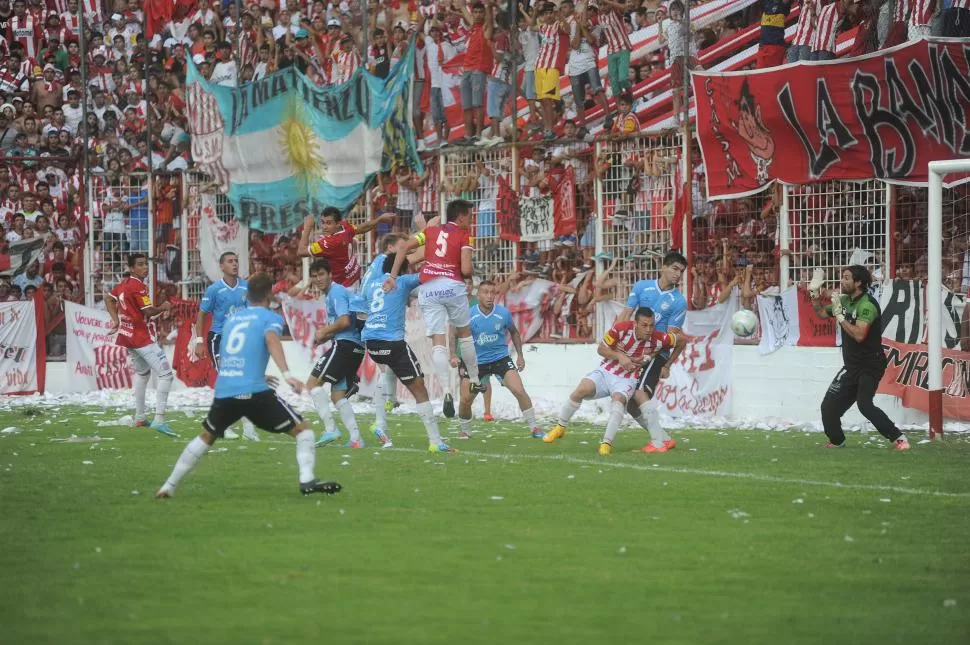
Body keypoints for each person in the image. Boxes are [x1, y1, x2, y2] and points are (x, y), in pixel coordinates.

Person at [155, 273, 342, 498]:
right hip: (255, 394)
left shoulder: (233, 320)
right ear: (269, 295)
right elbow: (272, 340)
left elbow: (230, 354)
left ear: (247, 295)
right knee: (304, 432)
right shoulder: (269, 318)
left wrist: (253, 375)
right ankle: (306, 480)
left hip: (226, 389)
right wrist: (287, 374)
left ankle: (169, 486)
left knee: (206, 437)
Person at [385, 199, 484, 419]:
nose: (471, 220)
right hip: (452, 286)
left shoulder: (429, 232)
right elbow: (466, 270)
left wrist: (393, 277)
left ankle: (447, 391)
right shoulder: (464, 235)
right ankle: (476, 380)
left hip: (428, 289)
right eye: (469, 215)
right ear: (460, 217)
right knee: (464, 334)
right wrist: (461, 268)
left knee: (438, 341)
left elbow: (404, 249)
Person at [542, 308, 679, 454]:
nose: (648, 329)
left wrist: (663, 362)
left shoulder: (658, 338)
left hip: (628, 379)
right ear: (635, 324)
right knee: (581, 390)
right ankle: (560, 428)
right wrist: (619, 356)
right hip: (606, 371)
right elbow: (601, 349)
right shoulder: (620, 330)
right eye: (644, 325)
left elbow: (681, 340)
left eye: (652, 325)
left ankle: (606, 444)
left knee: (619, 401)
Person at [808, 266, 910, 451]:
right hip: (851, 365)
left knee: (864, 405)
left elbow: (859, 335)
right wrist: (815, 295)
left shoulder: (868, 305)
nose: (842, 281)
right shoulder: (845, 301)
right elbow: (821, 313)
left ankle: (899, 438)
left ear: (858, 282)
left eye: (847, 278)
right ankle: (837, 441)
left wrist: (840, 317)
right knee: (828, 408)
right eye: (842, 277)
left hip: (870, 363)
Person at [362, 254, 454, 453]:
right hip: (392, 342)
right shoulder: (401, 281)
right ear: (401, 269)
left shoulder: (371, 284)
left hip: (372, 343)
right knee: (419, 388)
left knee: (388, 371)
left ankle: (381, 418)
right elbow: (428, 275)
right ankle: (436, 442)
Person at [452, 280, 543, 439]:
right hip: (476, 363)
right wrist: (453, 355)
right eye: (485, 292)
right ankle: (465, 430)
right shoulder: (468, 314)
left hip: (500, 359)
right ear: (478, 295)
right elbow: (454, 334)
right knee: (466, 400)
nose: (489, 296)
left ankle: (534, 427)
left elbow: (514, 332)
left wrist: (520, 355)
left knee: (519, 390)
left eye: (492, 293)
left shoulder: (503, 313)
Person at [617, 251, 688, 451]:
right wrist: (619, 345)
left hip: (657, 353)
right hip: (634, 349)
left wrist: (662, 362)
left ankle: (657, 443)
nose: (677, 274)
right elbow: (625, 316)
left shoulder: (678, 301)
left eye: (681, 271)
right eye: (674, 268)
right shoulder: (642, 287)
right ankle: (664, 438)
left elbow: (672, 337)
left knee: (639, 393)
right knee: (629, 402)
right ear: (663, 267)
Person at [104, 253, 176, 437]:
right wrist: (164, 306)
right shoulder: (138, 287)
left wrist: (116, 321)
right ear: (132, 268)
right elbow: (150, 312)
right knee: (166, 375)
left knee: (143, 374)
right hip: (141, 337)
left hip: (127, 336)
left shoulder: (124, 284)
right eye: (141, 265)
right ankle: (159, 420)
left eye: (146, 264)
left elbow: (108, 298)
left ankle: (140, 417)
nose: (145, 267)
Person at [192, 251, 258, 440]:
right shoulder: (214, 290)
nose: (235, 264)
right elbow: (202, 315)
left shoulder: (246, 287)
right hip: (218, 338)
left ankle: (247, 428)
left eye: (236, 261)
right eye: (230, 261)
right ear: (222, 266)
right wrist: (198, 341)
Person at [306, 259, 366, 448]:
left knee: (313, 383)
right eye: (314, 276)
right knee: (337, 395)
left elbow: (345, 321)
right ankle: (356, 439)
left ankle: (331, 429)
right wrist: (325, 337)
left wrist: (324, 331)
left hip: (346, 346)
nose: (318, 279)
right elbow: (343, 323)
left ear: (330, 274)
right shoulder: (333, 294)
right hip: (354, 348)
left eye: (321, 274)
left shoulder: (336, 292)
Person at [298, 207, 395, 288]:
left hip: (344, 287)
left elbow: (301, 251)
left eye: (328, 223)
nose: (324, 227)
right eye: (322, 222)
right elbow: (362, 228)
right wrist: (379, 220)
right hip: (352, 281)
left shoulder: (327, 243)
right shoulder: (345, 227)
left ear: (338, 223)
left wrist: (307, 228)